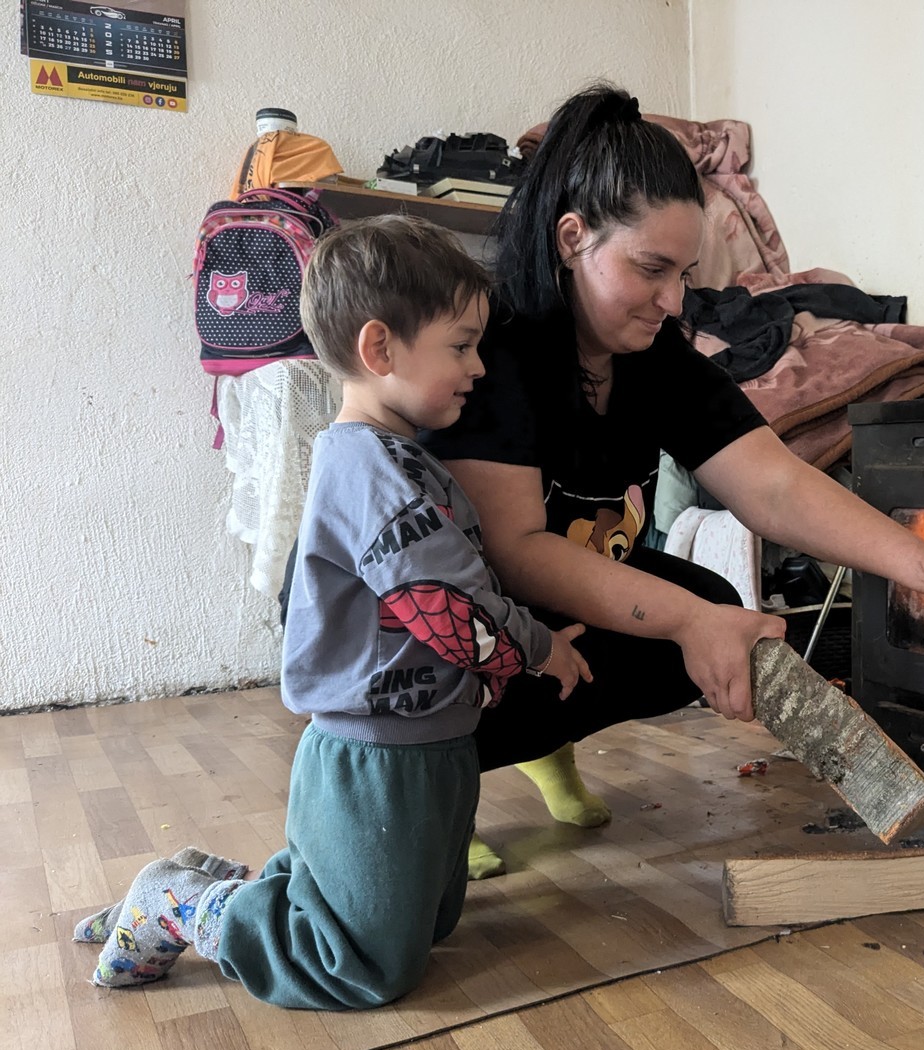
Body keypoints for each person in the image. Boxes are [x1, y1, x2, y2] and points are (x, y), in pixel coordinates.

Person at [418, 84, 924, 881]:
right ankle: (438, 771)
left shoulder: (652, 354)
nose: (672, 301)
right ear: (572, 238)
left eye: (683, 273)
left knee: (718, 617)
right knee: (685, 621)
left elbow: (774, 487)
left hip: (550, 600)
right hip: (440, 613)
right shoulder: (497, 353)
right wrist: (686, 621)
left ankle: (545, 742)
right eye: (650, 270)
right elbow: (514, 551)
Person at [74, 215, 590, 1009]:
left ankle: (229, 887)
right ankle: (179, 906)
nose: (479, 367)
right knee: (357, 964)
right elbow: (443, 601)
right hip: (376, 757)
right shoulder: (366, 468)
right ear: (380, 350)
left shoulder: (402, 461)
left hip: (432, 744)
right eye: (460, 346)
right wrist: (537, 646)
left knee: (422, 923)